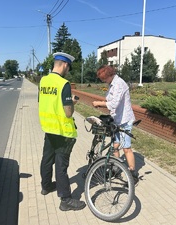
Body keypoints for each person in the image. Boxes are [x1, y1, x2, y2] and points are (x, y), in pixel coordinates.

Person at [38, 52, 86, 211]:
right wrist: (72, 103)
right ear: (65, 65)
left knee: (47, 158)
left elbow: (42, 101)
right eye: (68, 68)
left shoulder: (43, 81)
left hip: (48, 128)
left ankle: (45, 186)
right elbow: (68, 112)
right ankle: (65, 199)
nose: (68, 71)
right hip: (63, 132)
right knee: (61, 165)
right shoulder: (63, 84)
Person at [92, 65, 139, 185]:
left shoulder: (119, 84)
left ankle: (133, 173)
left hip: (125, 120)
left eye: (104, 79)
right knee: (115, 146)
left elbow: (114, 104)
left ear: (109, 75)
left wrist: (99, 103)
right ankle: (116, 168)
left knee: (126, 147)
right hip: (116, 119)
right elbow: (110, 100)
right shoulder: (112, 84)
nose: (103, 81)